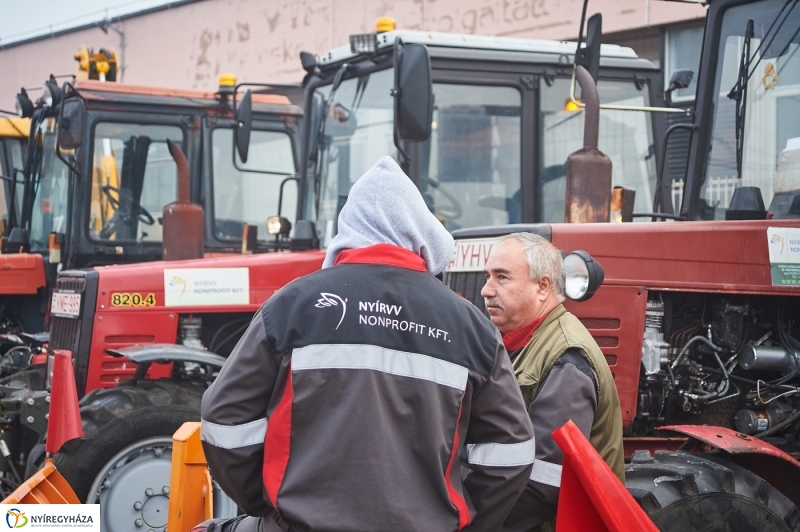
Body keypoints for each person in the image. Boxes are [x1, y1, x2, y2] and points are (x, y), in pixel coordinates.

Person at [199, 156, 535, 532]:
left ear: (349, 229)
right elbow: (510, 454)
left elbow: (223, 420)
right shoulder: (472, 328)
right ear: (420, 233)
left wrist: (264, 504)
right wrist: (463, 523)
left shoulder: (290, 307)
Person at [480, 232, 624, 532]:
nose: (486, 289)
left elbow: (545, 483)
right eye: (488, 276)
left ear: (543, 287)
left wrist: (470, 520)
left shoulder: (566, 356)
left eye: (502, 278)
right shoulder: (518, 342)